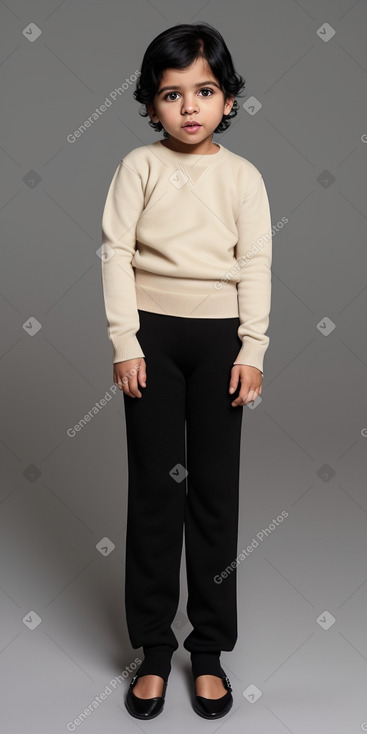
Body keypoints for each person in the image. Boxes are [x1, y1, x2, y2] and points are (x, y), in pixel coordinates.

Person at [100, 22, 272, 721]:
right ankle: (149, 650)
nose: (189, 108)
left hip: (220, 343)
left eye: (204, 91)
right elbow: (115, 251)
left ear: (229, 100)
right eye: (172, 95)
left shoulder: (242, 177)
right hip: (153, 340)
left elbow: (256, 262)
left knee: (213, 497)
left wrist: (252, 349)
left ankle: (207, 652)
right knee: (154, 496)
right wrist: (125, 341)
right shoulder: (138, 167)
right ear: (150, 106)